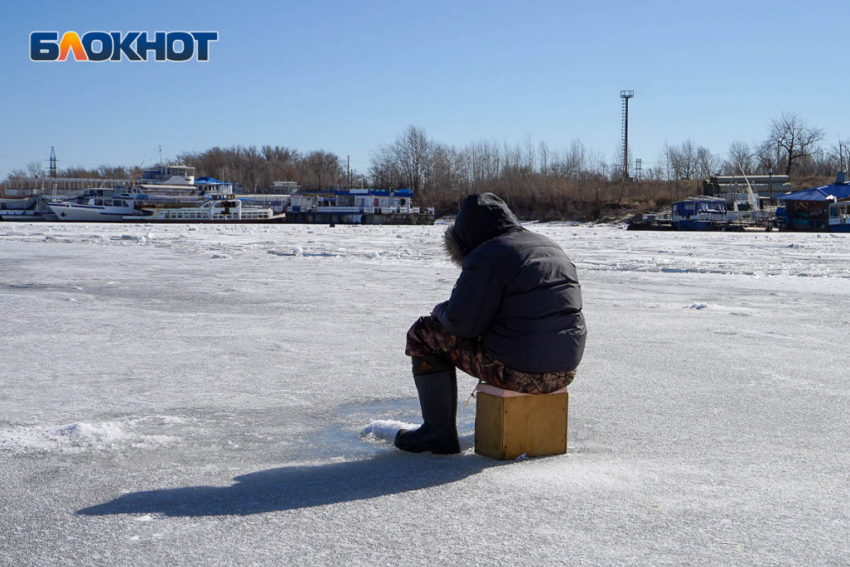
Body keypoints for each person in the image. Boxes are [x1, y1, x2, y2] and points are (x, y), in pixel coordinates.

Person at [395, 193, 587, 454]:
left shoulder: (487, 254)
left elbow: (460, 324)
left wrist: (440, 310)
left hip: (520, 373)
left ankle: (437, 433)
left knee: (424, 332)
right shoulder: (550, 246)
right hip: (564, 370)